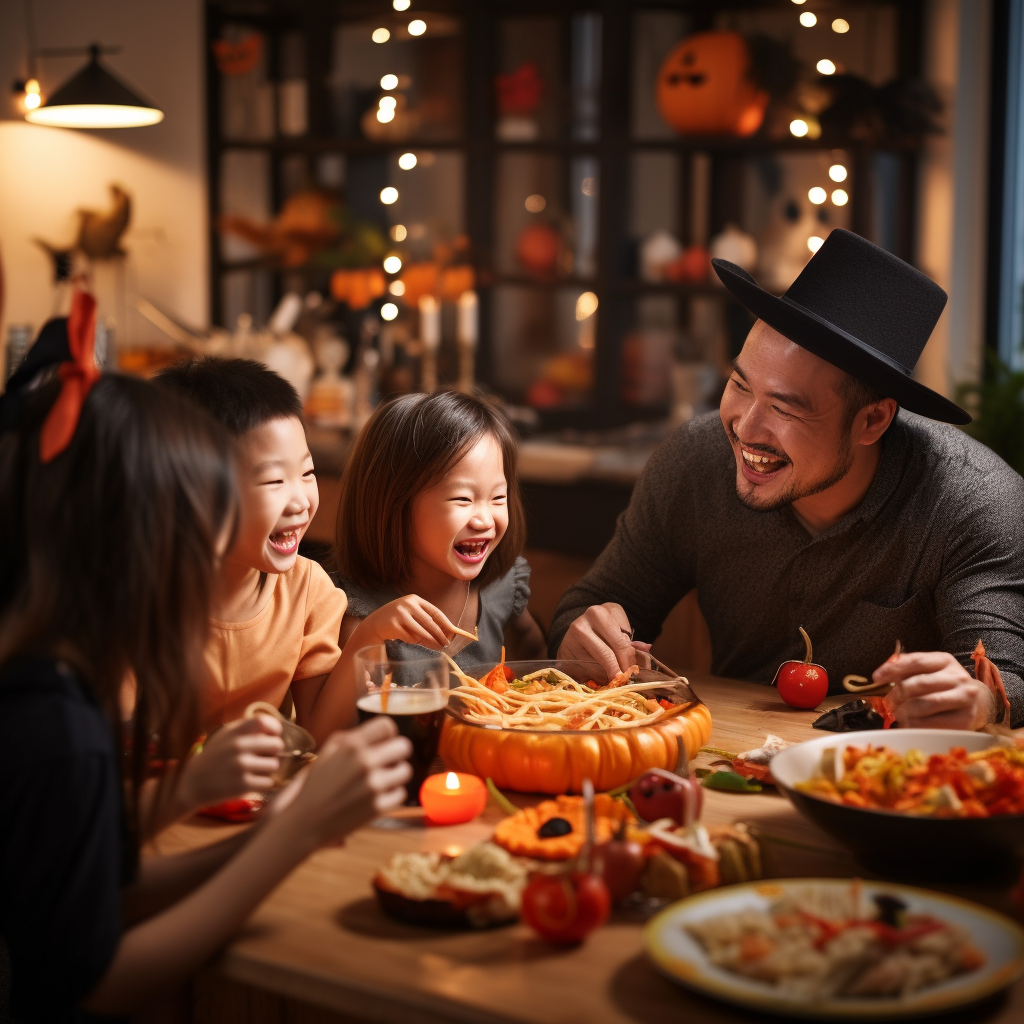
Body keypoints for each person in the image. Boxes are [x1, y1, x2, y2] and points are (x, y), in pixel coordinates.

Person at [0, 297, 411, 1023]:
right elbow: (88, 984)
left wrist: (287, 824)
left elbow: (98, 890)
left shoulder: (47, 684)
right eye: (206, 509)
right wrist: (290, 835)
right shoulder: (54, 728)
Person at [551, 229, 1024, 730]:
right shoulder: (694, 461)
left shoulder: (975, 503)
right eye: (739, 385)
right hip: (726, 753)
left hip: (894, 774)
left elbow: (1009, 679)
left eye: (784, 408)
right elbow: (584, 610)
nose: (744, 428)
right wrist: (582, 638)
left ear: (872, 422)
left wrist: (982, 700)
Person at [156, 357, 353, 755]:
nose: (301, 501)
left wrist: (369, 635)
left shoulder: (308, 590)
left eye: (308, 473)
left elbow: (318, 735)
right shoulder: (140, 598)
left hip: (263, 803)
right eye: (274, 480)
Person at [321, 390, 546, 731]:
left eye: (497, 497)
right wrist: (370, 634)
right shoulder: (358, 611)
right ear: (394, 504)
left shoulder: (501, 586)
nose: (485, 519)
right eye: (462, 498)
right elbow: (325, 737)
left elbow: (537, 657)